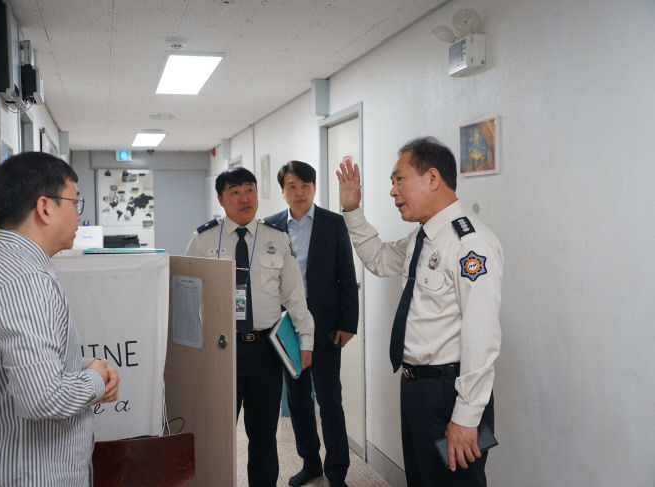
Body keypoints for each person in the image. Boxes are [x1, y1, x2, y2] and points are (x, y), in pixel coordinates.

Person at [0, 152, 120, 486]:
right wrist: (95, 380)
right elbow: (43, 398)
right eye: (75, 201)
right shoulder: (25, 281)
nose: (79, 216)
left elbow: (20, 369)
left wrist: (83, 371)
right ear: (45, 207)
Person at [336, 137, 503, 486]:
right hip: (416, 389)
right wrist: (352, 211)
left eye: (400, 180)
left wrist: (466, 418)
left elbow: (482, 335)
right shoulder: (421, 238)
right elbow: (380, 259)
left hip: (449, 393)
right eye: (392, 183)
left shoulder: (470, 244)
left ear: (432, 178)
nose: (393, 192)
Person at [185, 166, 315, 486]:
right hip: (220, 350)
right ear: (221, 199)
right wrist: (190, 351)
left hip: (264, 352)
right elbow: (185, 296)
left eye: (250, 190)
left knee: (263, 435)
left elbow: (295, 297)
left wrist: (306, 341)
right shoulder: (203, 239)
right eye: (235, 192)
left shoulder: (277, 238)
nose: (245, 198)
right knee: (216, 434)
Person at [264, 161, 358, 487]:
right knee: (299, 398)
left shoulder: (333, 224)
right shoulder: (270, 227)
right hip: (288, 327)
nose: (299, 192)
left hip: (327, 326)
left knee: (330, 400)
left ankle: (337, 473)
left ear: (314, 188)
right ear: (283, 191)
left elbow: (347, 275)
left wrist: (349, 322)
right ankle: (311, 463)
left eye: (305, 185)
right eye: (292, 186)